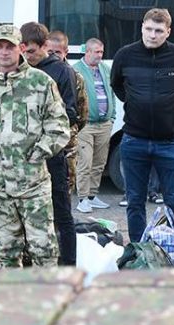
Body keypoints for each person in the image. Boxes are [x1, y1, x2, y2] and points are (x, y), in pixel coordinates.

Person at [0, 24, 70, 267]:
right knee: (6, 251)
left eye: (10, 46)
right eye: (0, 46)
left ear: (20, 48)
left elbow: (59, 126)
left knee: (44, 249)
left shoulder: (41, 83)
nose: (5, 51)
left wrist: (38, 153)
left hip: (33, 185)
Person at [111, 8, 174, 243]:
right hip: (133, 141)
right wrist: (133, 101)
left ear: (168, 31)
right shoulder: (125, 55)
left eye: (159, 30)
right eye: (149, 29)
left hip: (170, 142)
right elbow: (117, 84)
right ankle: (138, 250)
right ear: (142, 28)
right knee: (135, 201)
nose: (153, 35)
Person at [20, 21, 77, 266]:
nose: (26, 55)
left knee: (61, 214)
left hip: (52, 155)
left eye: (31, 51)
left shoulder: (61, 71)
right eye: (23, 50)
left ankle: (68, 266)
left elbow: (72, 114)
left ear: (44, 46)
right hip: (23, 159)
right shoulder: (18, 69)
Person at [74, 37, 116, 213]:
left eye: (102, 52)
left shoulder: (105, 69)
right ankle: (82, 198)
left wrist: (112, 117)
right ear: (88, 52)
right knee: (85, 161)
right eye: (97, 52)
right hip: (86, 125)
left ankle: (92, 195)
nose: (100, 55)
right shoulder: (76, 70)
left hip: (104, 124)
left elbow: (111, 93)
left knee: (99, 162)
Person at [46, 30, 89, 197]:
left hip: (68, 141)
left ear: (65, 53)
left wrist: (72, 130)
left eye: (57, 52)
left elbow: (82, 113)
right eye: (50, 52)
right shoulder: (41, 74)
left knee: (65, 186)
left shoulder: (75, 77)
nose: (54, 56)